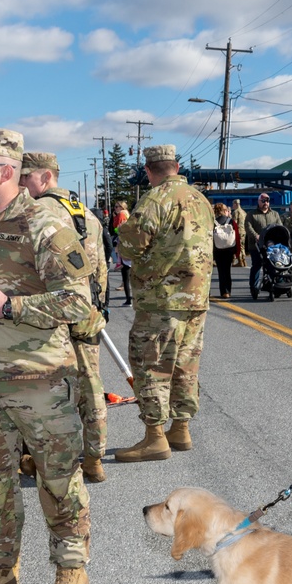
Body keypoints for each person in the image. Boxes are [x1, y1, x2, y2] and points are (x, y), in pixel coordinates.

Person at [0, 128, 96, 584]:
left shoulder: (44, 221)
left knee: (58, 478)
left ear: (6, 172)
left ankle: (70, 563)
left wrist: (9, 306)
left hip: (39, 381)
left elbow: (77, 301)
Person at [114, 144, 215, 461]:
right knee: (186, 364)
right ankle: (180, 429)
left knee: (151, 367)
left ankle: (155, 437)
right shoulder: (200, 200)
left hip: (162, 300)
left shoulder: (155, 199)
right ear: (176, 165)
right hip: (196, 299)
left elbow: (129, 246)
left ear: (149, 170)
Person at [19, 151, 109, 483]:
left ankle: (41, 458)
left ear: (45, 177)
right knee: (90, 384)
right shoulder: (87, 215)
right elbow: (100, 271)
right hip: (86, 313)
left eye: (26, 178)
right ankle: (95, 458)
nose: (21, 185)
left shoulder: (37, 212)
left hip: (50, 313)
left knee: (44, 389)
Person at [244, 193, 280, 296]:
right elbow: (248, 227)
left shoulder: (275, 214)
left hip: (271, 246)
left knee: (273, 265)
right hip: (256, 246)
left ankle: (273, 285)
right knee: (257, 265)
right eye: (263, 201)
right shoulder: (251, 214)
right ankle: (254, 287)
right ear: (258, 202)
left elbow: (279, 226)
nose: (266, 203)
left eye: (267, 201)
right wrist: (256, 236)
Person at [211, 202, 240, 298]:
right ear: (224, 211)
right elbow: (237, 237)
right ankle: (227, 291)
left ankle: (222, 290)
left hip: (218, 249)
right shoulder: (231, 221)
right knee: (227, 270)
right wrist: (237, 252)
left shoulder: (213, 222)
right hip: (229, 249)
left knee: (221, 271)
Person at [112, 201, 132, 305]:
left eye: (117, 206)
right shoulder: (127, 214)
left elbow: (117, 228)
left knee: (125, 272)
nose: (115, 208)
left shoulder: (121, 214)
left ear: (121, 207)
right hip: (130, 244)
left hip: (123, 243)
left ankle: (128, 299)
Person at [231, 199, 247, 266]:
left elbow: (234, 223)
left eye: (233, 204)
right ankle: (244, 261)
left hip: (238, 231)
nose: (232, 206)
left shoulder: (235, 212)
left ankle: (240, 261)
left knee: (239, 246)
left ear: (235, 204)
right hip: (243, 231)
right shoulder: (244, 212)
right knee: (242, 246)